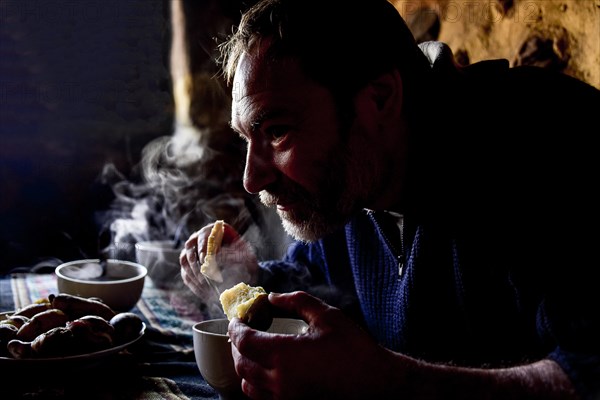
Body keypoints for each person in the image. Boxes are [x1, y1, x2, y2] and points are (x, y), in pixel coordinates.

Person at [179, 0, 600, 398]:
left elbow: (590, 373)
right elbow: (319, 281)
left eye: (277, 131)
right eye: (246, 138)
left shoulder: (545, 152)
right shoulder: (351, 180)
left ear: (380, 99)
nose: (252, 179)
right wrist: (248, 277)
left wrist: (383, 384)